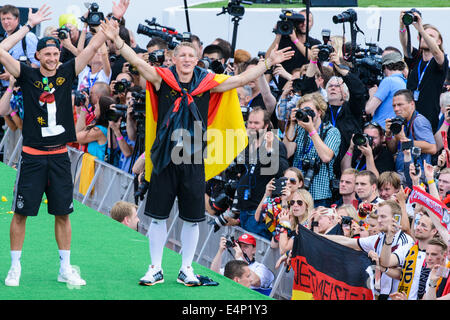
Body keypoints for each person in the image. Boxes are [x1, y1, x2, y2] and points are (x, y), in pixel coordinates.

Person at [100, 8, 294, 287]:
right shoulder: (162, 78)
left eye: (192, 56)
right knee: (157, 217)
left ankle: (186, 269)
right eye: (182, 56)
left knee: (193, 218)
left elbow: (239, 80)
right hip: (165, 156)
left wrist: (267, 63)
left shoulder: (207, 83)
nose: (187, 60)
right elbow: (138, 64)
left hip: (193, 157)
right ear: (174, 59)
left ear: (197, 59)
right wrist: (118, 42)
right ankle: (155, 267)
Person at [0, 2, 115, 287]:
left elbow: (93, 47)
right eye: (46, 54)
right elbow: (1, 50)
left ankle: (65, 266)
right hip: (32, 157)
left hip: (60, 156)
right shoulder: (27, 74)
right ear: (37, 55)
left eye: (55, 53)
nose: (51, 58)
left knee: (63, 213)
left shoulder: (67, 71)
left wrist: (111, 19)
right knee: (22, 212)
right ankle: (15, 267)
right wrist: (28, 25)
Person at [322, 200, 414, 300]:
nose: (379, 220)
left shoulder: (406, 240)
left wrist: (388, 240)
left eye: (383, 217)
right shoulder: (379, 238)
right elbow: (347, 242)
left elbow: (386, 262)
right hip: (379, 295)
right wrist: (319, 236)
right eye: (378, 216)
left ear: (396, 219)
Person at [235, 107, 289, 240]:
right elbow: (241, 172)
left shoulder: (276, 144)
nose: (252, 126)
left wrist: (269, 151)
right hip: (244, 208)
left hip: (260, 211)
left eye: (256, 123)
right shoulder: (246, 144)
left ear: (266, 126)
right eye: (250, 122)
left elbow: (282, 172)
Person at [283, 92, 341, 207]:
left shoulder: (331, 131)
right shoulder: (299, 129)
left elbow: (326, 157)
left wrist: (311, 131)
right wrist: (292, 124)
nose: (306, 114)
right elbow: (287, 153)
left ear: (319, 112)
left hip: (320, 195)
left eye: (309, 110)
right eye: (302, 111)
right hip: (296, 194)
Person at [399, 11, 449, 133]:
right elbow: (405, 45)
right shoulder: (416, 58)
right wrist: (402, 25)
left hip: (428, 120)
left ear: (439, 42)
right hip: (409, 117)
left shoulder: (441, 60)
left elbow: (437, 53)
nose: (426, 38)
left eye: (431, 36)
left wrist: (421, 29)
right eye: (424, 36)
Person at [380, 212, 439, 300]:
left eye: (423, 226)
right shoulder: (409, 247)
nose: (418, 227)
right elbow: (385, 262)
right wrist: (389, 237)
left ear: (434, 231)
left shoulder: (438, 256)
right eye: (418, 223)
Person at [385, 89, 437, 178]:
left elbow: (432, 148)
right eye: (394, 106)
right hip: (404, 173)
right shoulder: (402, 122)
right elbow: (393, 149)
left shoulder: (418, 121)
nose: (396, 109)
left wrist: (405, 141)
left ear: (412, 104)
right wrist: (388, 135)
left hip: (417, 176)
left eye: (400, 105)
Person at [255, 167, 305, 245]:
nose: (288, 182)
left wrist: (285, 201)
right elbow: (257, 217)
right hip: (273, 242)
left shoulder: (302, 203)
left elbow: (288, 225)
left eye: (292, 181)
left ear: (300, 184)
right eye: (285, 179)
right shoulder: (276, 200)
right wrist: (267, 194)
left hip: (289, 245)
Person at [365, 50, 407, 130]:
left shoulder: (388, 81)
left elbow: (369, 110)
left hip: (381, 131)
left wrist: (372, 95)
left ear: (385, 67)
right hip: (395, 131)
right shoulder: (405, 82)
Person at [0, 4, 40, 71]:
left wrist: (12, 74)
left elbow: (37, 64)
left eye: (8, 18)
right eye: (3, 19)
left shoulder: (28, 37)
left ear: (17, 19)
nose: (6, 22)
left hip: (22, 80)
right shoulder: (3, 38)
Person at [76, 93, 113, 161]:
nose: (95, 106)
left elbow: (77, 138)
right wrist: (84, 108)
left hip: (96, 170)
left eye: (97, 104)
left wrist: (83, 110)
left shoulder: (99, 130)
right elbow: (79, 134)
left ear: (102, 110)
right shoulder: (102, 127)